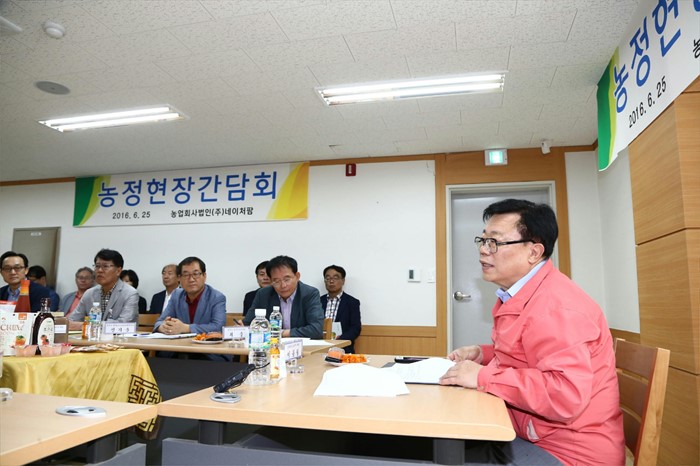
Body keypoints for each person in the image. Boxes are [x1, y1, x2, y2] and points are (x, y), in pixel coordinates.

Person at [439, 199, 623, 466]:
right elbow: (529, 354)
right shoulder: (524, 293)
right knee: (440, 445)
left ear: (534, 252)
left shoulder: (557, 307)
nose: (483, 250)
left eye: (495, 242)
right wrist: (484, 354)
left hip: (569, 453)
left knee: (436, 452)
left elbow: (565, 395)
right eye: (483, 240)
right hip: (534, 434)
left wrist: (483, 376)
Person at [153, 256, 228, 361]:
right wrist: (164, 327)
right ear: (179, 278)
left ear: (204, 276)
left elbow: (217, 327)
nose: (191, 279)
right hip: (179, 350)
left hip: (208, 352)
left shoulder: (217, 297)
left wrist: (186, 328)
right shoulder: (176, 295)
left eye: (196, 274)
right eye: (186, 275)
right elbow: (159, 322)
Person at [243, 255, 323, 338]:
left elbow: (316, 329)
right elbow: (247, 324)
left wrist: (281, 333)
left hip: (302, 345)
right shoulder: (263, 294)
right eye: (276, 281)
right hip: (270, 344)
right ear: (271, 281)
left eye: (287, 279)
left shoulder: (309, 293)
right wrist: (241, 326)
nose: (283, 285)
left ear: (297, 276)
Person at [68, 249, 139, 330]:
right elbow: (72, 321)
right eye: (97, 266)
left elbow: (124, 325)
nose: (100, 270)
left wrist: (85, 326)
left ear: (118, 271)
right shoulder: (89, 293)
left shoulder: (130, 293)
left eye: (105, 266)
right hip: (93, 337)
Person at [320, 265, 361, 353]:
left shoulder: (352, 302)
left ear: (343, 281)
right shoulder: (318, 301)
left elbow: (355, 328)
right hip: (320, 347)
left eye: (335, 278)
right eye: (328, 278)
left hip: (343, 348)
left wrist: (339, 341)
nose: (331, 281)